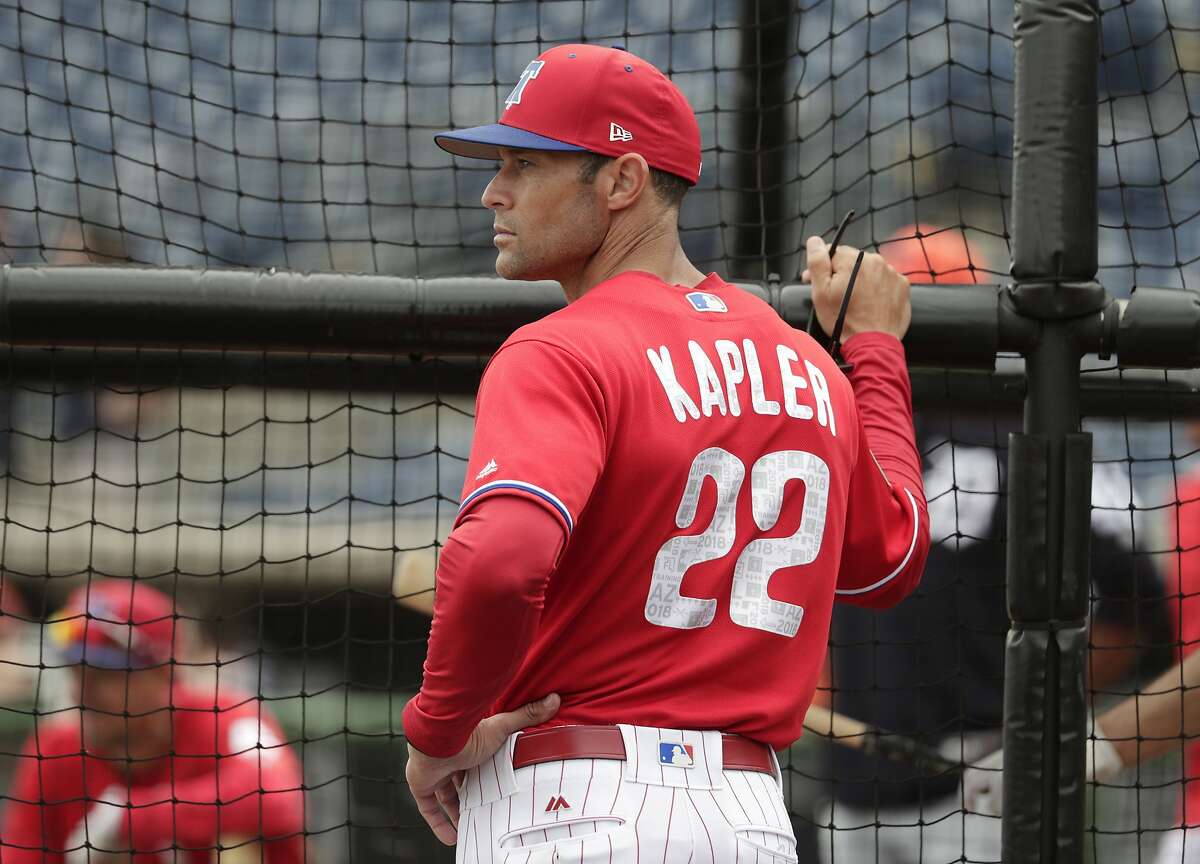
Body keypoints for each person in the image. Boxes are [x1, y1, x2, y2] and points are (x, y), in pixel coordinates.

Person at [401, 42, 931, 862]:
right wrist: (874, 352)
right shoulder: (810, 366)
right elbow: (889, 563)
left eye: (523, 165)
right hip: (748, 817)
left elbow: (502, 561)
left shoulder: (560, 350)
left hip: (570, 805)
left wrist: (437, 730)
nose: (491, 192)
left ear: (622, 181)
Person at [0, 580, 305, 863]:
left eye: (104, 676)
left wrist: (132, 819)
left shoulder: (226, 718)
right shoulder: (55, 750)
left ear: (163, 675)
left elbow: (278, 799)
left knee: (239, 839)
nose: (81, 692)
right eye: (76, 673)